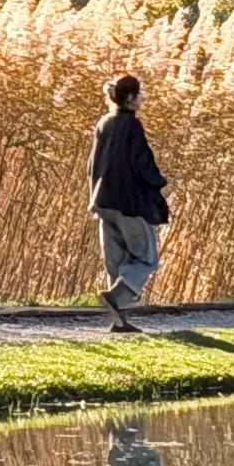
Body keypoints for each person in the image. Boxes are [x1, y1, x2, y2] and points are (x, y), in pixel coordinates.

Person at [88, 72, 170, 330]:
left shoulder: (104, 123)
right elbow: (142, 163)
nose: (142, 99)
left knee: (117, 261)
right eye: (139, 94)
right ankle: (116, 297)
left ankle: (120, 322)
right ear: (131, 98)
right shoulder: (131, 126)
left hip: (104, 202)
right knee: (146, 258)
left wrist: (93, 198)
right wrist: (160, 182)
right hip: (128, 204)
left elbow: (92, 165)